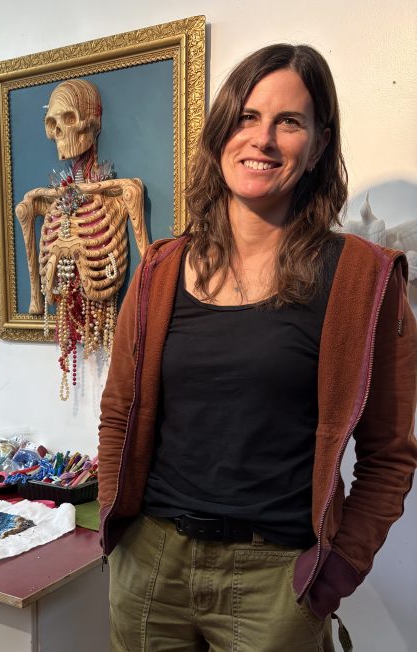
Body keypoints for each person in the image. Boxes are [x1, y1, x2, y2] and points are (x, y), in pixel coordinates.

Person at [97, 43, 417, 652]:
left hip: (274, 582)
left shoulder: (362, 280)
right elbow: (120, 411)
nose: (262, 139)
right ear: (221, 132)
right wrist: (120, 537)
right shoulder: (162, 268)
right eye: (247, 117)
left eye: (289, 122)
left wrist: (337, 573)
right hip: (151, 570)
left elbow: (389, 456)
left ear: (320, 144)